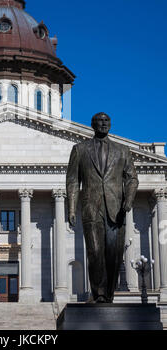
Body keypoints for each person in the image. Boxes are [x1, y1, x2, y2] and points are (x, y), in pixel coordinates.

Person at [66, 112, 138, 303]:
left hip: (116, 210)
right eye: (99, 121)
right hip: (91, 207)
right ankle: (99, 293)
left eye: (106, 121)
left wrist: (128, 200)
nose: (103, 124)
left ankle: (109, 294)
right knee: (95, 251)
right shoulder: (80, 149)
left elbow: (132, 178)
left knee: (113, 254)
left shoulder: (123, 150)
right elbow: (73, 181)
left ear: (111, 124)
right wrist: (72, 208)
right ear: (92, 124)